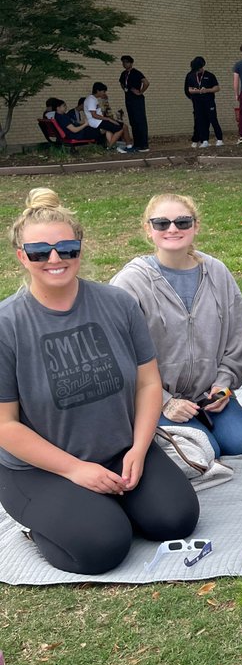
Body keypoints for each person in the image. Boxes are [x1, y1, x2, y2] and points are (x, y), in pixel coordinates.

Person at [0, 188, 199, 574]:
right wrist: (76, 471)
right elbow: (4, 426)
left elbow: (148, 384)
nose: (55, 259)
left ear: (81, 249)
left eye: (67, 249)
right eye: (40, 251)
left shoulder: (117, 303)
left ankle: (105, 503)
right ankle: (45, 520)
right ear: (22, 256)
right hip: (40, 468)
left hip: (120, 450)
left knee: (175, 520)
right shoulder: (7, 325)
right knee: (103, 546)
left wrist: (140, 449)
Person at [111, 194, 242, 457]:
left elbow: (238, 336)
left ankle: (196, 423)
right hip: (153, 398)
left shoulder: (217, 272)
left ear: (196, 226)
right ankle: (149, 424)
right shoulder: (130, 282)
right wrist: (165, 402)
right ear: (148, 229)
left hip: (208, 394)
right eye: (162, 223)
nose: (173, 229)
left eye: (182, 222)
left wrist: (224, 385)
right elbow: (118, 356)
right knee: (203, 451)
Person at [185, 56, 224, 148]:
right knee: (200, 120)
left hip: (208, 101)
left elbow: (217, 88)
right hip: (197, 101)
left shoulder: (210, 75)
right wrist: (198, 91)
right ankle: (205, 140)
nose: (198, 71)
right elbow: (189, 89)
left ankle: (219, 139)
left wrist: (207, 90)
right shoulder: (191, 76)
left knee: (213, 119)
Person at [83, 82, 133, 152]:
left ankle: (129, 146)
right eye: (103, 91)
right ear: (98, 91)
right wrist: (108, 119)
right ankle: (109, 148)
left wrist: (105, 101)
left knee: (124, 126)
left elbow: (99, 112)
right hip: (96, 122)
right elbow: (94, 115)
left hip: (99, 120)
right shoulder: (91, 100)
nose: (104, 93)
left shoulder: (94, 99)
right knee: (119, 129)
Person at [118, 55, 150, 153]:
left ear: (131, 63)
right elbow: (122, 83)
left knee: (140, 121)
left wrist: (140, 92)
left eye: (127, 62)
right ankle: (137, 144)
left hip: (137, 100)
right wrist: (125, 89)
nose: (125, 64)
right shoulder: (123, 74)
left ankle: (144, 145)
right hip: (129, 99)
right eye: (123, 62)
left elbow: (146, 82)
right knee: (133, 122)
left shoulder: (136, 73)